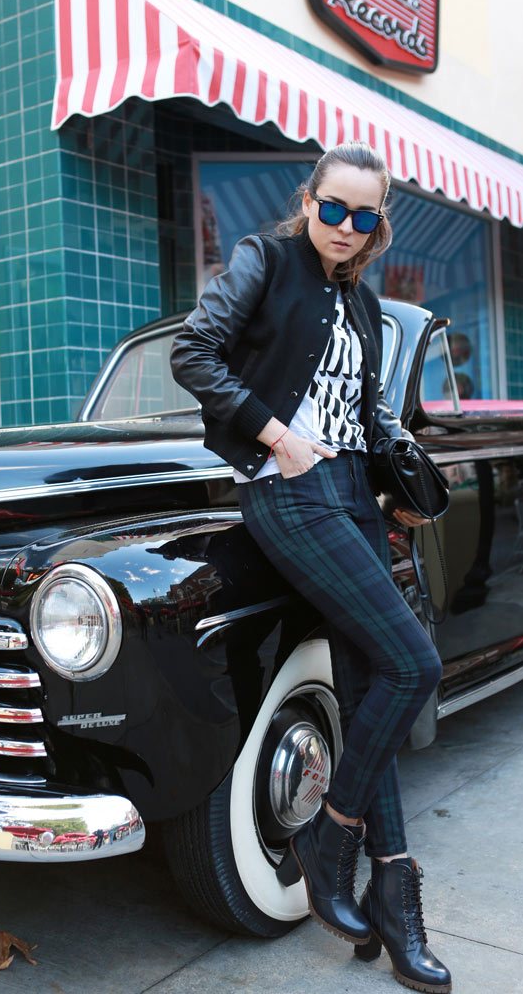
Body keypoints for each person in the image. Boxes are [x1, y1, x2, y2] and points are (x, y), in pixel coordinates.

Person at [170, 142, 451, 992]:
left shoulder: (362, 301)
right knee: (414, 663)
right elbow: (195, 352)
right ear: (309, 201)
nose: (345, 226)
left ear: (377, 223)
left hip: (355, 497)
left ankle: (392, 899)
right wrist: (276, 436)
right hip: (289, 491)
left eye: (363, 216)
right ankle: (330, 843)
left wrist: (397, 468)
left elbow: (361, 408)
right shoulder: (266, 259)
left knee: (371, 688)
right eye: (333, 208)